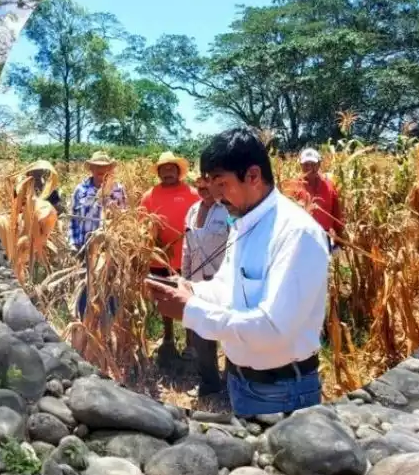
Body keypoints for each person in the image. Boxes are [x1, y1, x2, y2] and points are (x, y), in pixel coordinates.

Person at [145, 128, 331, 417]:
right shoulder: (243, 221)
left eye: (222, 184)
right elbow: (226, 287)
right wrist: (191, 289)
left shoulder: (297, 233)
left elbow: (274, 329)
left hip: (282, 391)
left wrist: (190, 310)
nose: (217, 196)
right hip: (241, 383)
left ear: (253, 176)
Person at [138, 151, 199, 365]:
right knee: (164, 299)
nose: (168, 172)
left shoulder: (192, 193)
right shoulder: (149, 196)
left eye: (171, 168)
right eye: (164, 169)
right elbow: (142, 225)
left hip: (187, 257)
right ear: (159, 173)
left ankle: (191, 343)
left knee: (188, 298)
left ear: (178, 171)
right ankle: (168, 339)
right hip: (159, 258)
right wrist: (153, 242)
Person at [181, 174, 234, 399]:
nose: (203, 189)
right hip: (197, 280)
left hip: (222, 279)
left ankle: (231, 381)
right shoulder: (192, 211)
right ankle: (209, 381)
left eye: (206, 185)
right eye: (199, 186)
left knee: (230, 331)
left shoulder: (228, 212)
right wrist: (184, 276)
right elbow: (187, 244)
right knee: (203, 332)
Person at [71, 151, 127, 320]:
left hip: (110, 249)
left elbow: (125, 219)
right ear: (92, 169)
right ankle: (84, 322)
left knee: (110, 286)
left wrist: (113, 209)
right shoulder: (80, 190)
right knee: (86, 286)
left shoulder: (118, 189)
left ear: (110, 169)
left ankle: (110, 324)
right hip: (85, 247)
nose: (101, 170)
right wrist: (73, 244)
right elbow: (73, 219)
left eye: (104, 167)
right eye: (97, 167)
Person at [289, 148, 344, 252]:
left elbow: (336, 215)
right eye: (306, 164)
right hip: (300, 239)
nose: (310, 168)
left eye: (313, 164)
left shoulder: (329, 186)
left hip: (323, 236)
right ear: (301, 166)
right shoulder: (293, 186)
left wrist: (339, 242)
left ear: (319, 165)